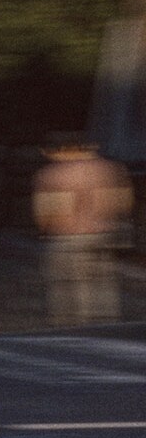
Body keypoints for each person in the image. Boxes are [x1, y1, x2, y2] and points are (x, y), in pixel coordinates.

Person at [33, 139, 134, 328]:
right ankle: (104, 324)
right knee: (102, 282)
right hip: (103, 234)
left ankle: (74, 328)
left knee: (66, 286)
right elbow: (124, 203)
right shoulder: (109, 169)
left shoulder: (55, 174)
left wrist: (46, 229)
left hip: (70, 237)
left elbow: (47, 211)